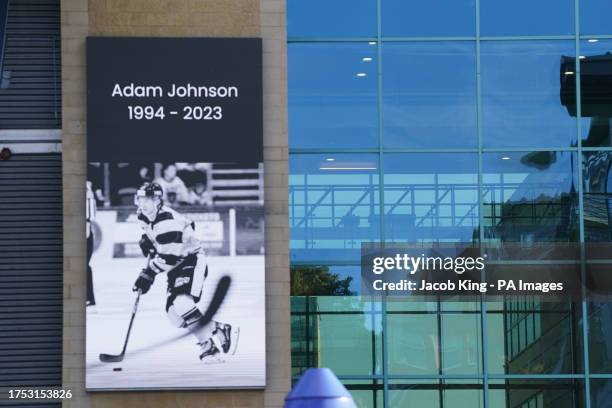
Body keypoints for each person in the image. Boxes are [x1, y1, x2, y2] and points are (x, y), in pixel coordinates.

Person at [132, 182, 239, 362]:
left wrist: (147, 275)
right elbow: (153, 236)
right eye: (140, 199)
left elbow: (169, 258)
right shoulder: (142, 215)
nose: (141, 204)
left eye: (146, 199)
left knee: (182, 304)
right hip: (175, 267)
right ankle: (219, 329)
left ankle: (208, 347)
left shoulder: (167, 221)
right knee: (175, 317)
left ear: (157, 200)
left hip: (191, 260)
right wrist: (147, 240)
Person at [86, 181, 97, 306]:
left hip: (86, 230)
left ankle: (89, 297)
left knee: (84, 266)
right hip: (86, 230)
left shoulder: (88, 192)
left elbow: (91, 216)